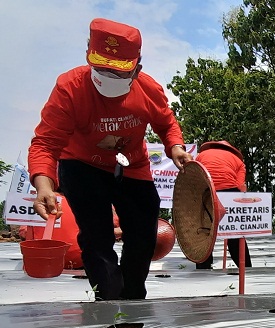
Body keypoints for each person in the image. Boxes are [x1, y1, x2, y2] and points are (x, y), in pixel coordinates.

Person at [28, 18, 192, 300]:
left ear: (137, 69)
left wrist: (174, 146)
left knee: (144, 228)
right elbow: (45, 143)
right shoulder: (70, 89)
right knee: (96, 236)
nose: (106, 77)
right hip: (81, 165)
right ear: (88, 56)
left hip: (132, 165)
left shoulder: (148, 90)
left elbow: (166, 124)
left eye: (117, 73)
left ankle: (133, 296)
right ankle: (108, 299)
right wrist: (44, 186)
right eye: (100, 68)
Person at [194, 140, 252, 269]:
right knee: (235, 233)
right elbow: (240, 186)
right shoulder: (238, 162)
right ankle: (246, 268)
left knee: (205, 231)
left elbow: (195, 174)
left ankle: (203, 268)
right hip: (230, 193)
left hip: (207, 192)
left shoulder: (201, 156)